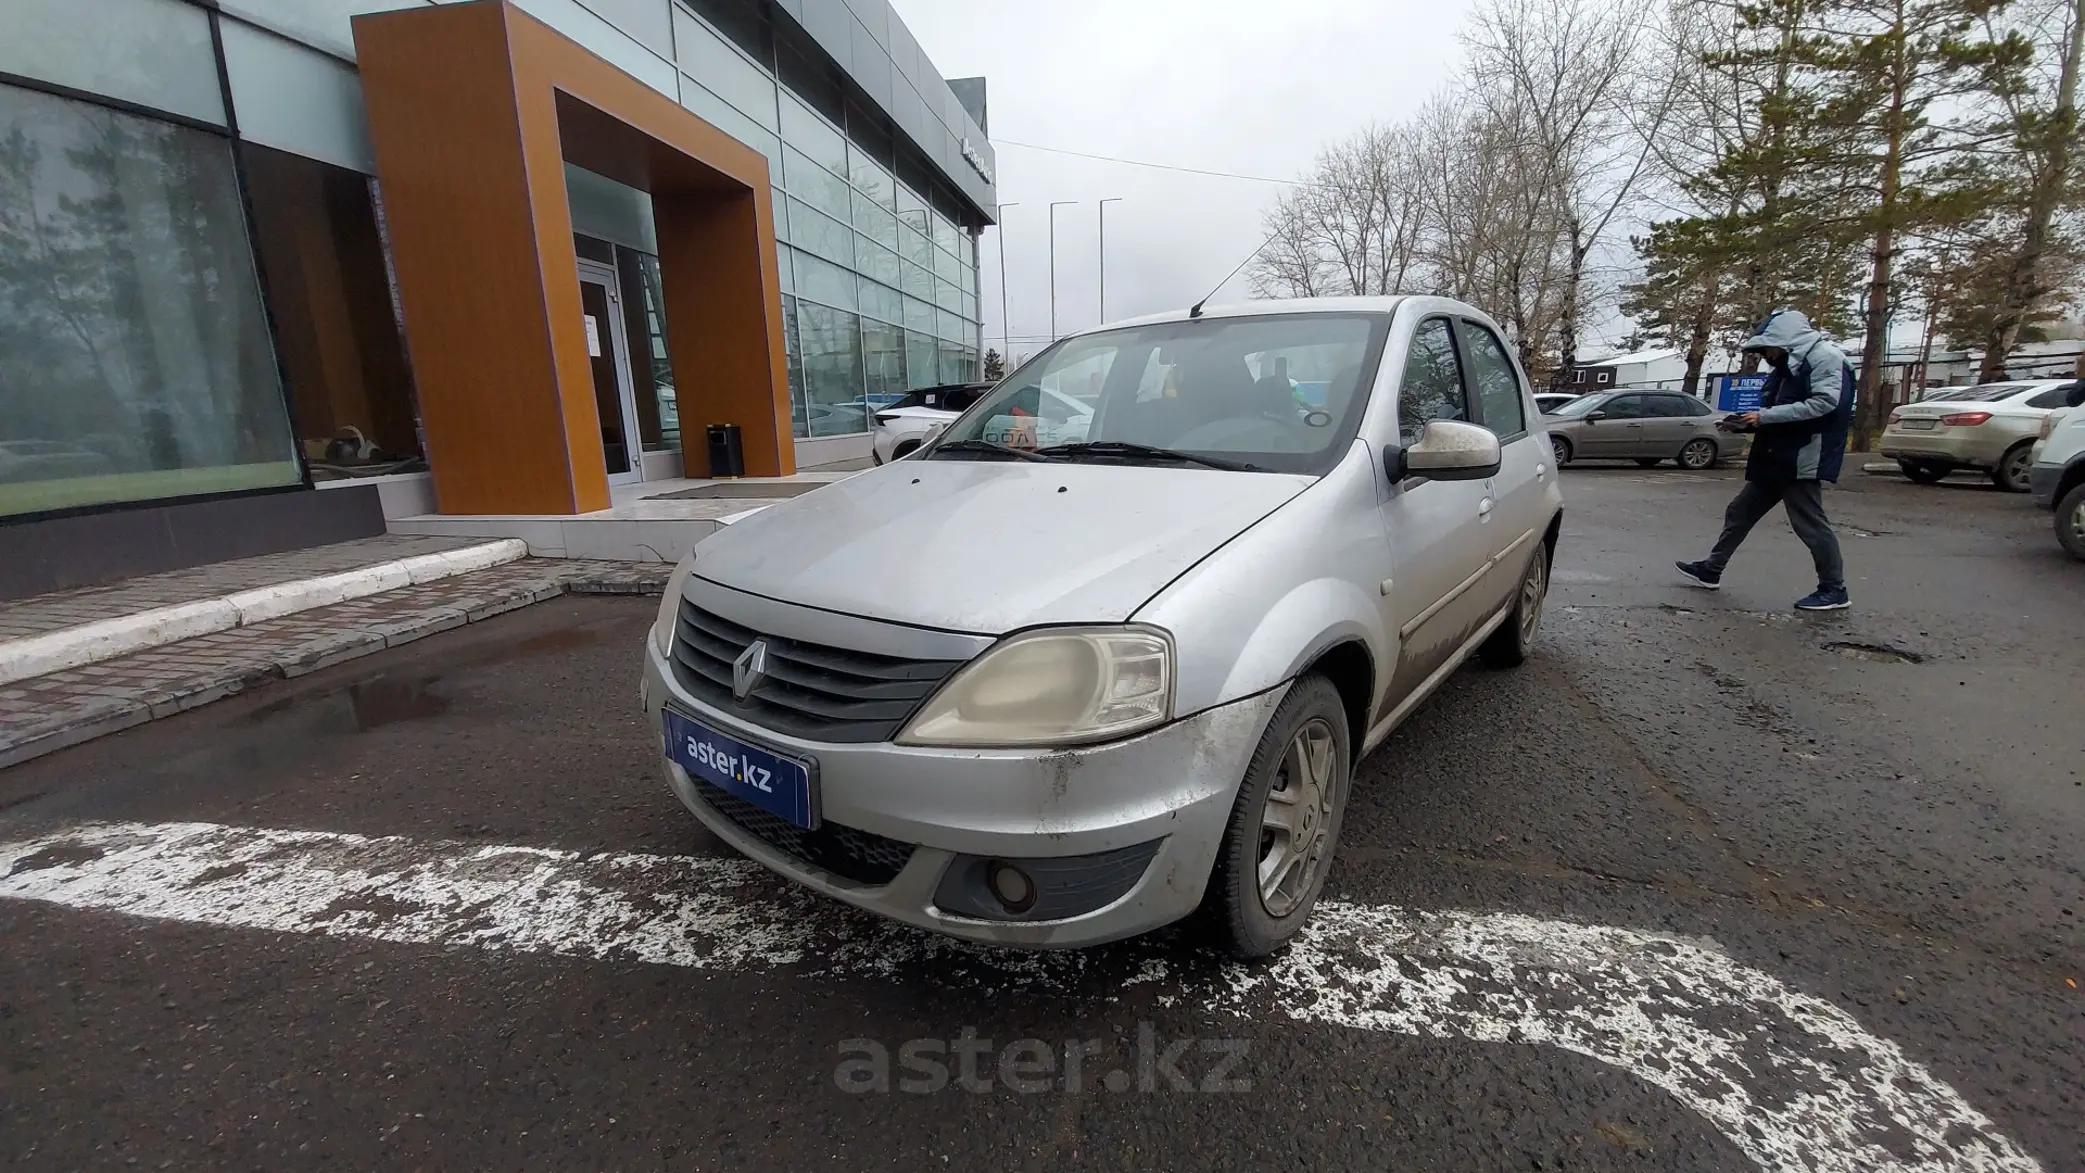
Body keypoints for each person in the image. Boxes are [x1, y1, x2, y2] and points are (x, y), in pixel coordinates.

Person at [1676, 309, 1855, 611]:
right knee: (1740, 511)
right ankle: (1711, 569)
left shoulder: (1825, 358)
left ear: (1787, 341)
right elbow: (1777, 409)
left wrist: (1764, 417)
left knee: (1810, 523)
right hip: (1777, 454)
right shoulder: (1789, 364)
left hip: (1802, 455)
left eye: (1768, 348)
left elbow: (1825, 403)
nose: (1765, 355)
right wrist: (1745, 423)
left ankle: (1834, 589)